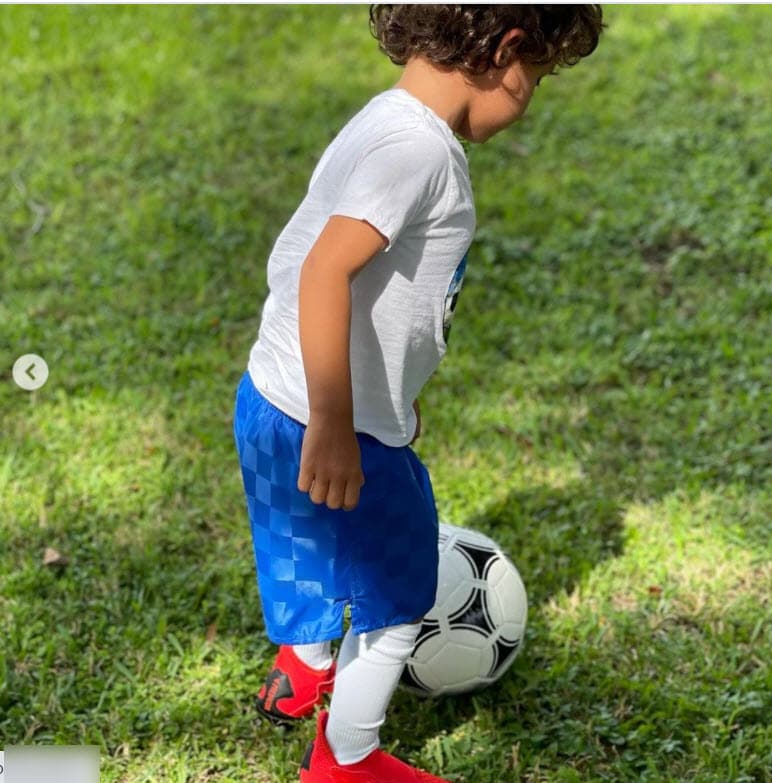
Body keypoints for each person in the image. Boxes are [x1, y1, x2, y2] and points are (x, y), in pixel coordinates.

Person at [232, 5, 604, 781]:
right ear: (505, 50)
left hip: (273, 397)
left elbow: (351, 279)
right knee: (398, 601)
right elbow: (326, 269)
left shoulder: (383, 121)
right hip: (332, 419)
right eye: (534, 79)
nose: (528, 98)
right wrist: (339, 422)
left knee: (309, 549)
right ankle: (348, 760)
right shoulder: (419, 154)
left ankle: (301, 671)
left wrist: (383, 390)